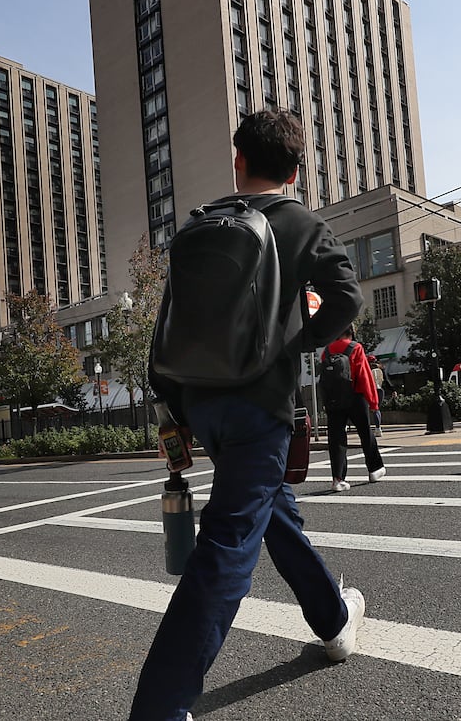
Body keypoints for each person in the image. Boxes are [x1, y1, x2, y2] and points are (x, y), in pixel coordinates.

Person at [133, 108, 366, 721]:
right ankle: (160, 708)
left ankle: (334, 619)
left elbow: (168, 323)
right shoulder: (301, 225)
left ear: (238, 161)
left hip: (199, 405)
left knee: (270, 511)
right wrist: (288, 348)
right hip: (259, 406)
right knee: (228, 546)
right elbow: (347, 300)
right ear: (295, 171)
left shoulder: (199, 227)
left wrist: (172, 408)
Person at [322, 327, 387, 490]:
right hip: (355, 397)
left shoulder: (327, 351)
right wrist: (373, 402)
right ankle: (374, 469)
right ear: (350, 332)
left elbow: (323, 379)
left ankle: (338, 479)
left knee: (336, 439)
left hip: (334, 399)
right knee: (365, 433)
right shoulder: (355, 347)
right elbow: (365, 376)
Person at [367, 356, 388, 437]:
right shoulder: (381, 369)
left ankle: (370, 428)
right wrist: (393, 390)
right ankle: (378, 428)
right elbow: (386, 380)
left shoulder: (367, 369)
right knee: (377, 409)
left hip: (371, 390)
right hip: (380, 390)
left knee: (371, 409)